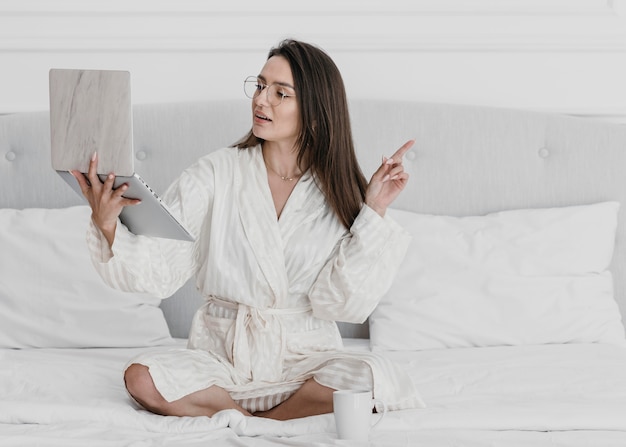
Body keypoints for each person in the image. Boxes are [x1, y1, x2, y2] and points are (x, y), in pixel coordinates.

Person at [73, 38, 422, 420]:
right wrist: (107, 224)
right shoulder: (215, 173)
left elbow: (341, 305)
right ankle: (272, 419)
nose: (260, 100)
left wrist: (374, 210)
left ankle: (248, 422)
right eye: (259, 86)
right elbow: (161, 269)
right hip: (222, 360)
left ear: (316, 112)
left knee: (376, 377)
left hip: (304, 361)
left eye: (279, 93)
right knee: (142, 377)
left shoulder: (337, 191)